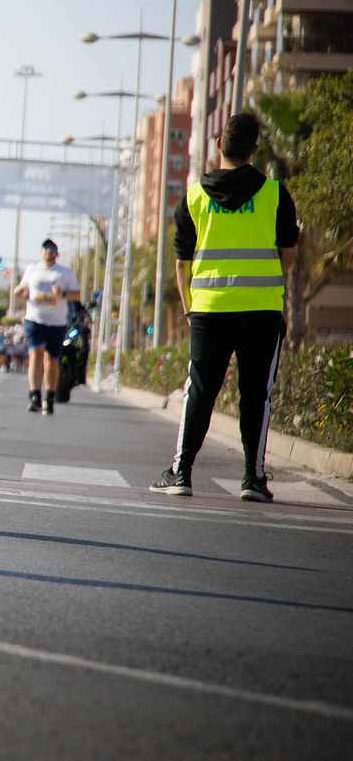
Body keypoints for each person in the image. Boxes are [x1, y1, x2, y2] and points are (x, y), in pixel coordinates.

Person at [153, 112, 299, 502]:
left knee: (199, 391)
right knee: (256, 394)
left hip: (208, 310)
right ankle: (253, 479)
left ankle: (181, 473)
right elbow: (288, 256)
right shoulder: (276, 194)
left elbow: (182, 264)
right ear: (254, 150)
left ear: (219, 144)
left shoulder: (193, 197)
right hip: (261, 310)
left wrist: (190, 309)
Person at [12, 239, 81, 414]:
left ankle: (49, 396)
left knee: (51, 359)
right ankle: (35, 395)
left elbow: (77, 294)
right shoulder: (31, 270)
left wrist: (63, 293)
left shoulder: (64, 273)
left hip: (56, 322)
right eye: (46, 248)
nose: (49, 251)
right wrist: (19, 291)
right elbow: (22, 288)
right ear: (41, 252)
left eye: (52, 248)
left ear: (57, 253)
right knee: (35, 354)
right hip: (34, 319)